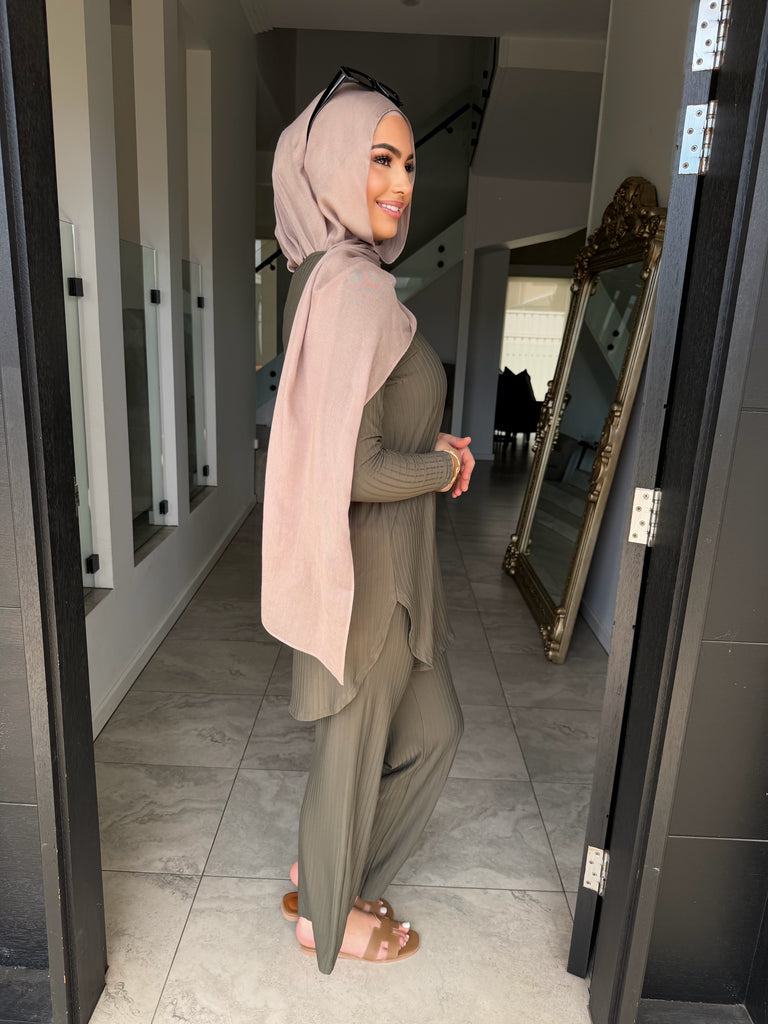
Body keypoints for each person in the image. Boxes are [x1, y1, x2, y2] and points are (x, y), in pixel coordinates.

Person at [261, 68, 475, 974]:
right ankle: (324, 917)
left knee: (433, 734)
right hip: (370, 582)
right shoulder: (352, 289)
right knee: (350, 755)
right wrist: (445, 466)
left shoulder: (331, 278)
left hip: (387, 571)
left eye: (410, 164)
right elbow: (356, 467)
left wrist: (430, 442)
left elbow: (365, 422)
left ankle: (330, 877)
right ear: (333, 166)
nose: (400, 183)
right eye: (379, 159)